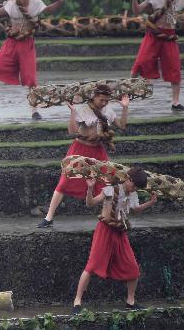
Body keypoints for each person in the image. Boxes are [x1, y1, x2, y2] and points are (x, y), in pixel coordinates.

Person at [37, 85, 130, 228]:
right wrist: (73, 113)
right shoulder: (84, 110)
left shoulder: (108, 110)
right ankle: (49, 217)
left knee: (109, 182)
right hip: (79, 149)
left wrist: (125, 108)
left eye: (106, 100)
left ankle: (110, 217)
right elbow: (72, 131)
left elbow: (122, 126)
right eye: (101, 100)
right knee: (64, 182)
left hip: (98, 151)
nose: (104, 103)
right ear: (94, 96)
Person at [0, 0, 65, 120]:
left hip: (26, 43)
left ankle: (34, 110)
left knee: (31, 79)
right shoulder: (11, 4)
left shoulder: (36, 3)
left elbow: (48, 10)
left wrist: (59, 1)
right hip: (12, 42)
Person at [72, 167, 158, 313]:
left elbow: (135, 209)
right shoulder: (110, 190)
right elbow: (90, 203)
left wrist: (151, 202)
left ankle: (130, 302)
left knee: (133, 268)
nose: (134, 189)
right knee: (91, 265)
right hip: (104, 231)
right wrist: (90, 188)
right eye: (134, 185)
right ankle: (77, 301)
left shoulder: (132, 194)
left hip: (120, 232)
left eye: (137, 187)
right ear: (128, 179)